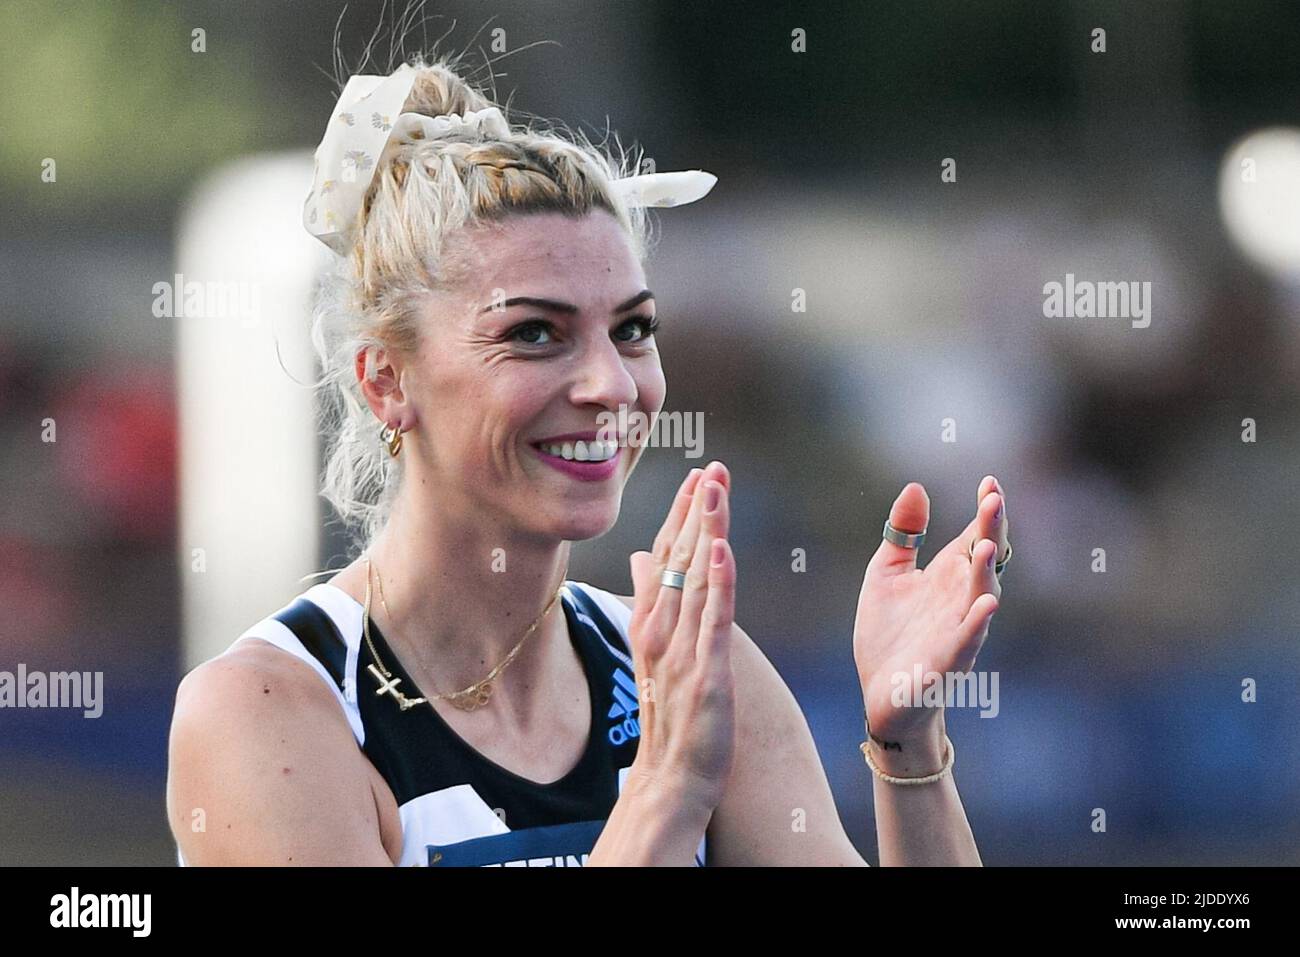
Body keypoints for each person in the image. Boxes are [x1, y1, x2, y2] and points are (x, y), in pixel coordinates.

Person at [166, 50, 1011, 867]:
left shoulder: (691, 673)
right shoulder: (268, 710)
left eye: (633, 329)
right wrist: (665, 790)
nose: (611, 384)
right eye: (535, 333)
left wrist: (907, 744)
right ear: (387, 381)